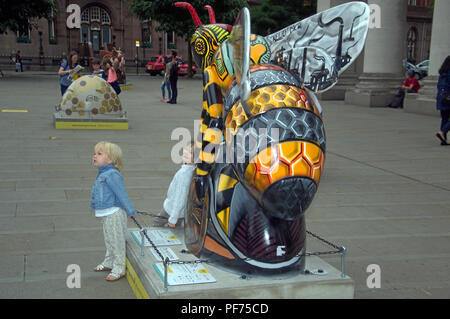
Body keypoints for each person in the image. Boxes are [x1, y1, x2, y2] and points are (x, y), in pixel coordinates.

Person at [91, 141, 136, 281]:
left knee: (117, 242)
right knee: (109, 240)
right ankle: (109, 261)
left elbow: (121, 193)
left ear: (110, 159)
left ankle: (119, 267)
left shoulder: (111, 174)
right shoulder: (103, 173)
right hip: (106, 213)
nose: (94, 156)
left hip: (114, 213)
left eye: (99, 153)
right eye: (94, 153)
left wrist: (130, 211)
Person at [153, 140, 196, 228]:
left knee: (157, 223)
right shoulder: (192, 169)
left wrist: (173, 218)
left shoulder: (184, 174)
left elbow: (180, 198)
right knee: (176, 229)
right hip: (181, 212)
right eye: (186, 150)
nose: (186, 153)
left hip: (171, 209)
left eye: (190, 153)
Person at [435, 56, 450, 146]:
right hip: (448, 98)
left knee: (444, 119)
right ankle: (442, 132)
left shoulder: (442, 73)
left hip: (441, 99)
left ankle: (443, 140)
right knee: (445, 120)